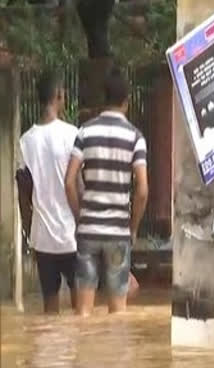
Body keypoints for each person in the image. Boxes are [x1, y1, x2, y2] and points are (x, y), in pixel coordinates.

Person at [64, 68, 149, 316]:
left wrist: (80, 217)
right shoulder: (135, 137)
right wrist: (132, 228)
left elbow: (69, 181)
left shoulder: (85, 132)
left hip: (88, 231)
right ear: (127, 100)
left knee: (83, 314)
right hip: (117, 233)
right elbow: (142, 190)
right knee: (118, 315)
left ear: (104, 98)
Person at [18, 70, 80, 314]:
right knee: (81, 314)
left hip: (42, 239)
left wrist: (29, 233)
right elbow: (79, 185)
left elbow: (24, 195)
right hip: (71, 236)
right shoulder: (72, 134)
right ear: (59, 95)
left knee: (49, 312)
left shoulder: (25, 141)